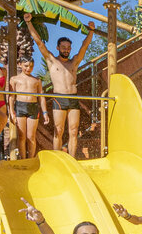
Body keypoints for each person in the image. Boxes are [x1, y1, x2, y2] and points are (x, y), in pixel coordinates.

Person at [24, 16, 95, 157]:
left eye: (68, 48)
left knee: (74, 131)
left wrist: (91, 31)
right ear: (58, 48)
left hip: (73, 98)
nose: (66, 50)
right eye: (63, 47)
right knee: (59, 130)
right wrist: (28, 22)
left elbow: (84, 47)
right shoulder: (52, 61)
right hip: (59, 98)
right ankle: (58, 159)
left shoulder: (74, 62)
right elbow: (39, 43)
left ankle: (72, 159)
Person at [9, 57, 44, 159]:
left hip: (33, 107)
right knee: (22, 136)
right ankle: (23, 159)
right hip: (20, 106)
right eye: (26, 66)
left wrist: (45, 112)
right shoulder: (14, 79)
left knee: (31, 136)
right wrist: (11, 112)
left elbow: (41, 97)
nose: (29, 68)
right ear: (20, 64)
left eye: (31, 66)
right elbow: (11, 97)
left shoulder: (36, 80)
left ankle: (31, 158)